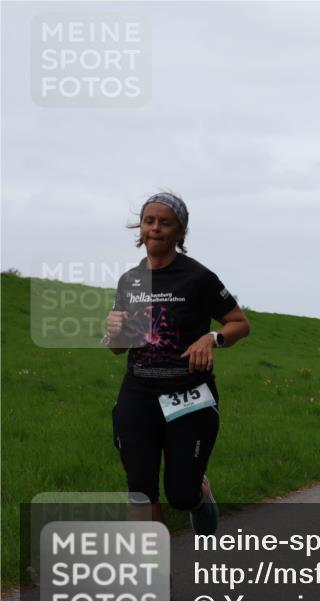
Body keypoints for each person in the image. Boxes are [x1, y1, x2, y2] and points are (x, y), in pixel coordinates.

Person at [104, 192, 250, 536]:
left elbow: (239, 323)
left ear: (180, 232)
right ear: (140, 229)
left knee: (181, 494)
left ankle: (199, 493)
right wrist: (114, 332)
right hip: (138, 393)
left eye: (164, 222)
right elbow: (117, 349)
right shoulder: (130, 281)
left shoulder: (198, 277)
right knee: (141, 491)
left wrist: (211, 338)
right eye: (149, 221)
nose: (155, 228)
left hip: (187, 394)